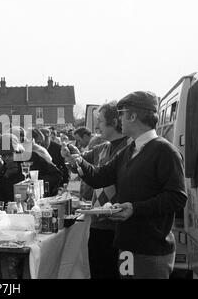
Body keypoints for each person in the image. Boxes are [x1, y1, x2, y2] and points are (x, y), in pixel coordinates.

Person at [62, 91, 187, 279]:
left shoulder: (165, 151)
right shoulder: (131, 149)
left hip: (150, 249)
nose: (119, 119)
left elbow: (177, 198)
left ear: (133, 116)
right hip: (127, 246)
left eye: (121, 114)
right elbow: (100, 176)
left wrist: (134, 209)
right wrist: (78, 161)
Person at [67, 101, 130, 279]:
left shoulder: (131, 147)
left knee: (122, 274)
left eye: (100, 121)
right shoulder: (101, 148)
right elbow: (79, 163)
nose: (96, 126)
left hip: (122, 227)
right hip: (98, 225)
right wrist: (70, 156)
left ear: (114, 122)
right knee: (98, 273)